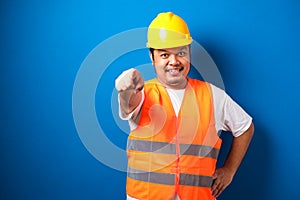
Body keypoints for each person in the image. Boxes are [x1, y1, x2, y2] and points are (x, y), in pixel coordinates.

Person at [115, 12, 254, 200]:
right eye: (164, 54)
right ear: (152, 56)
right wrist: (124, 89)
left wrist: (229, 170)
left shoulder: (213, 96)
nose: (174, 61)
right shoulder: (142, 94)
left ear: (189, 53)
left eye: (181, 52)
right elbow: (127, 105)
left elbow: (245, 127)